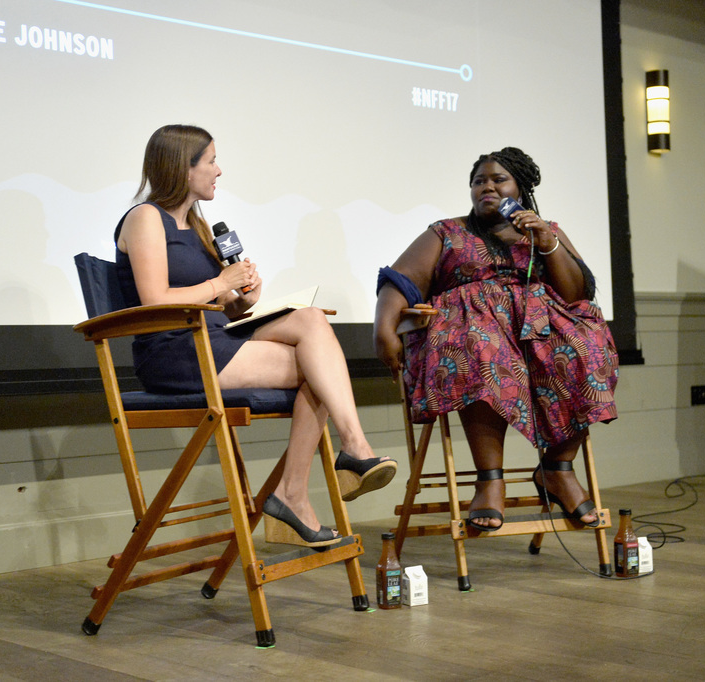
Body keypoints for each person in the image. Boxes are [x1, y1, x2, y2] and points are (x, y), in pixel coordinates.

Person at [114, 124, 396, 547]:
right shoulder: (144, 218)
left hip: (214, 337)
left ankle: (350, 451)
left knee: (311, 319)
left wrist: (241, 297)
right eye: (210, 161)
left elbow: (220, 306)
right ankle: (298, 492)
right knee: (317, 370)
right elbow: (155, 299)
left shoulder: (199, 225)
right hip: (173, 352)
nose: (219, 170)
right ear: (182, 168)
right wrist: (219, 282)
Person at [374, 147, 618, 532]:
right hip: (472, 331)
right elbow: (399, 282)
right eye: (478, 181)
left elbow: (576, 295)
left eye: (498, 179)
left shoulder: (545, 231)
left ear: (520, 188)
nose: (486, 187)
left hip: (538, 332)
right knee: (482, 350)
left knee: (583, 347)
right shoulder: (447, 232)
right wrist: (382, 328)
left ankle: (557, 470)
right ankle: (489, 479)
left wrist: (546, 239)